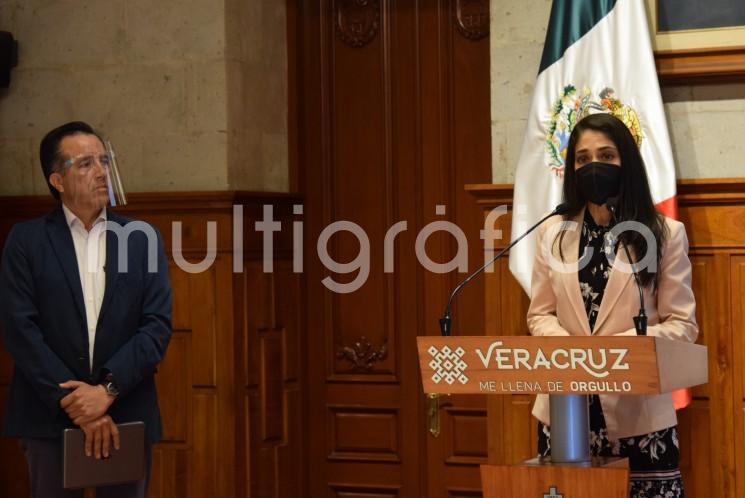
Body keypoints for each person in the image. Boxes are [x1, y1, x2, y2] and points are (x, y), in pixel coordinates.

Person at [528, 113, 697, 498]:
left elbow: (682, 325)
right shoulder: (553, 233)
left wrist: (614, 352)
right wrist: (575, 352)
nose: (594, 167)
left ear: (627, 163)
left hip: (640, 418)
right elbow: (540, 315)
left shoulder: (665, 233)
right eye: (583, 159)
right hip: (566, 415)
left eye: (606, 155)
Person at [0, 121, 172, 498]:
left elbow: (156, 327)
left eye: (105, 161)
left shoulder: (140, 239)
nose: (101, 172)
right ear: (57, 180)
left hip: (127, 413)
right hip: (49, 416)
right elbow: (19, 330)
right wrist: (76, 403)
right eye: (85, 163)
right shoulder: (26, 242)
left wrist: (107, 391)